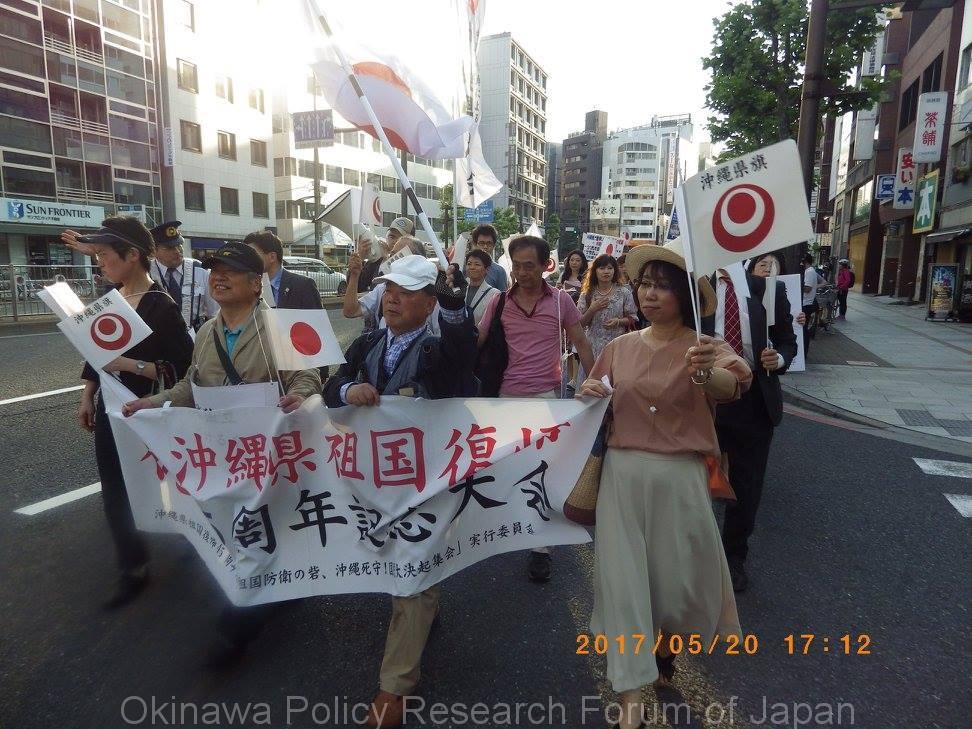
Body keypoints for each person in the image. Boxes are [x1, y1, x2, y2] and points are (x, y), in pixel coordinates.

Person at [122, 241, 322, 665]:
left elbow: (308, 377)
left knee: (261, 526)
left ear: (256, 283)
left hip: (270, 451)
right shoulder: (206, 333)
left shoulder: (278, 327)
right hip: (225, 454)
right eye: (214, 270)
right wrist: (152, 403)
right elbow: (190, 387)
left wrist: (299, 395)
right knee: (242, 528)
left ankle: (240, 624)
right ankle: (274, 592)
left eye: (230, 270)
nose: (218, 277)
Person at [579, 238, 748, 729]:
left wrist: (706, 374)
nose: (649, 295)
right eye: (645, 285)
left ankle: (665, 650)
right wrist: (589, 392)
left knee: (673, 586)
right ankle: (631, 697)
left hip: (680, 479)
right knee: (623, 584)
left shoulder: (707, 348)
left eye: (662, 287)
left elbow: (732, 386)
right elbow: (596, 394)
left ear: (684, 296)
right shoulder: (619, 347)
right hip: (622, 476)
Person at [322, 255, 477, 729]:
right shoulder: (369, 340)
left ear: (429, 303)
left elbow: (462, 355)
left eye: (407, 292)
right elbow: (333, 384)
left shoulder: (438, 349)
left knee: (411, 566)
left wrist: (455, 305)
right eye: (389, 289)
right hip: (377, 480)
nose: (392, 299)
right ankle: (425, 607)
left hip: (428, 480)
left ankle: (395, 688)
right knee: (402, 559)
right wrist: (347, 391)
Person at [70, 217, 194, 609]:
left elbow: (182, 369)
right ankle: (133, 566)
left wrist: (126, 364)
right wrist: (88, 395)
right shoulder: (110, 299)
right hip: (112, 410)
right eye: (98, 255)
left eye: (105, 254)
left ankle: (194, 534)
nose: (100, 261)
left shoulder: (161, 306)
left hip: (152, 411)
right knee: (115, 486)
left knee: (172, 479)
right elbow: (96, 354)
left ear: (133, 255)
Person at [477, 235, 595, 582]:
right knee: (507, 471)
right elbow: (478, 342)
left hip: (546, 399)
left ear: (546, 266)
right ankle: (509, 529)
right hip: (504, 400)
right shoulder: (499, 302)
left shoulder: (560, 301)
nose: (522, 273)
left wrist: (597, 383)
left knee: (543, 472)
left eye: (529, 266)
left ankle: (541, 549)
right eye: (516, 266)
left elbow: (581, 342)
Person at [704, 259, 798, 593]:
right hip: (705, 396)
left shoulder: (768, 289)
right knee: (695, 480)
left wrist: (779, 358)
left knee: (746, 486)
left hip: (754, 399)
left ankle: (733, 558)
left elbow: (787, 340)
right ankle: (696, 555)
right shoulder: (695, 289)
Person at [344, 236, 443, 335]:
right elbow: (351, 311)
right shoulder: (382, 287)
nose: (392, 299)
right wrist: (354, 275)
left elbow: (442, 337)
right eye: (388, 291)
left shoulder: (431, 295)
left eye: (405, 293)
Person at [148, 221, 217, 332]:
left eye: (179, 245)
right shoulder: (146, 273)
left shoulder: (200, 270)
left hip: (197, 337)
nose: (177, 251)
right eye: (169, 248)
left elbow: (214, 313)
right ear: (154, 251)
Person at [577, 253, 638, 360]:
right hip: (593, 348)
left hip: (618, 347)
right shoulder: (587, 295)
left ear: (615, 271)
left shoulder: (624, 293)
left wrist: (618, 321)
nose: (606, 271)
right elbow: (579, 324)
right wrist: (592, 309)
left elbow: (633, 318)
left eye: (610, 268)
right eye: (602, 268)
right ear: (595, 271)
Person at [245, 229, 322, 308]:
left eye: (252, 254)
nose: (247, 260)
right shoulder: (248, 287)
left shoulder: (304, 286)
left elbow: (315, 315)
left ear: (272, 257)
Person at [746, 253, 806, 327]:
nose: (768, 270)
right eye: (763, 265)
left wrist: (797, 320)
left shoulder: (782, 294)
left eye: (774, 266)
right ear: (752, 270)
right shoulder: (742, 294)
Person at [358, 217, 416, 292]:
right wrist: (359, 260)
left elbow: (384, 291)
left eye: (401, 238)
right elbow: (359, 287)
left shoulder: (414, 264)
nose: (394, 241)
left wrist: (386, 260)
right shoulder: (377, 259)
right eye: (392, 237)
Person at [463, 249, 500, 324]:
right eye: (469, 264)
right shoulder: (460, 290)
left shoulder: (494, 294)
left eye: (477, 264)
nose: (472, 267)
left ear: (487, 269)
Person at [470, 223, 509, 291]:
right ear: (475, 244)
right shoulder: (466, 268)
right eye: (481, 243)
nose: (485, 247)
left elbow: (503, 295)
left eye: (489, 243)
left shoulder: (499, 271)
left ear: (494, 245)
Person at [799, 253, 821, 356]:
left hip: (806, 303)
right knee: (803, 328)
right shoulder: (810, 271)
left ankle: (804, 351)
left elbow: (808, 288)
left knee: (803, 328)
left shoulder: (809, 272)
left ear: (805, 261)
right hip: (806, 303)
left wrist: (797, 286)